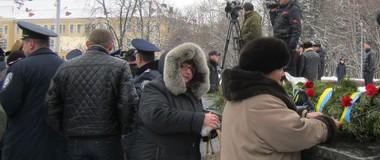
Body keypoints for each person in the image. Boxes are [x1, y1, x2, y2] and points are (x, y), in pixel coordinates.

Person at [220, 37, 339, 160]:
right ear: (267, 70)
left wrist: (303, 115)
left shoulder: (240, 95)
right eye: (280, 69)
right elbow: (297, 133)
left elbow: (268, 124)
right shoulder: (261, 102)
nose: (283, 74)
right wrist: (327, 124)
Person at [44, 28, 137, 160]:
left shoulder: (66, 67)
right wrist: (124, 129)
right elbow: (128, 102)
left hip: (75, 139)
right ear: (111, 46)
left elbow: (51, 104)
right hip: (108, 137)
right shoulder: (120, 66)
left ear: (87, 44)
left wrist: (63, 129)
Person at [129, 42, 220, 160]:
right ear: (172, 67)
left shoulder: (191, 93)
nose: (188, 72)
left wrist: (210, 119)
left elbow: (189, 113)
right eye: (183, 67)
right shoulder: (155, 87)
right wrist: (199, 119)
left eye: (192, 69)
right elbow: (156, 116)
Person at [0, 21, 69, 160]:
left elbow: (8, 104)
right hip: (59, 144)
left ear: (31, 44)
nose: (23, 48)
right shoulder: (66, 67)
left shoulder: (19, 68)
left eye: (24, 44)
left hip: (24, 144)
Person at [269, 0, 302, 76]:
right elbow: (275, 25)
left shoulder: (293, 8)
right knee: (280, 67)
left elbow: (297, 28)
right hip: (278, 42)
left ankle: (291, 86)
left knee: (288, 68)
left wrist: (292, 45)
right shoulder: (280, 9)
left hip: (287, 41)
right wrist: (272, 12)